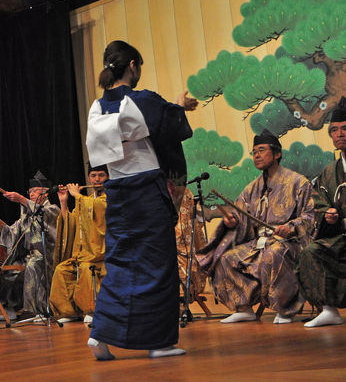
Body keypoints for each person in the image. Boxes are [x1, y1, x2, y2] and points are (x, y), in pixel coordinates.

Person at [85, 40, 196, 360]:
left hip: (117, 191)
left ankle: (101, 334)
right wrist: (179, 103)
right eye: (138, 68)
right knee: (158, 266)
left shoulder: (95, 108)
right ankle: (159, 342)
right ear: (132, 65)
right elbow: (171, 123)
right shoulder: (142, 100)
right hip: (146, 190)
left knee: (120, 264)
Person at [197, 130, 314, 324]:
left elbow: (310, 216)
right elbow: (242, 218)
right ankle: (243, 307)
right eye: (254, 152)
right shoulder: (252, 188)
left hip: (288, 242)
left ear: (277, 154)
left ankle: (285, 309)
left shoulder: (298, 182)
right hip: (259, 243)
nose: (257, 156)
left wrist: (291, 226)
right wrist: (232, 222)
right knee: (227, 258)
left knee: (274, 253)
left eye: (261, 150)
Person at [296, 97, 346, 327]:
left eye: (344, 129)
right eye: (334, 130)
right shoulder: (329, 171)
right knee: (312, 251)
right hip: (341, 235)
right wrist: (327, 215)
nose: (340, 134)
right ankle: (329, 309)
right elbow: (320, 203)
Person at [0, 171, 60, 320]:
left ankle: (38, 310)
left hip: (47, 255)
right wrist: (0, 223)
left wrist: (21, 199)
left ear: (45, 194)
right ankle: (9, 309)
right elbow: (13, 232)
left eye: (35, 191)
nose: (32, 194)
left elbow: (50, 229)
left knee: (33, 265)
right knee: (7, 267)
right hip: (29, 255)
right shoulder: (28, 214)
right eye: (30, 192)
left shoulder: (52, 210)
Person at [50, 163, 108, 323]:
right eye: (93, 176)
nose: (97, 179)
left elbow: (99, 211)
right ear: (89, 178)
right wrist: (64, 202)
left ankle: (92, 310)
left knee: (85, 268)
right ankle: (69, 312)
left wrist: (77, 196)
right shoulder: (86, 200)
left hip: (99, 254)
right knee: (62, 270)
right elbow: (72, 222)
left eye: (101, 175)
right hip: (82, 253)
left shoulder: (109, 198)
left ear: (108, 177)